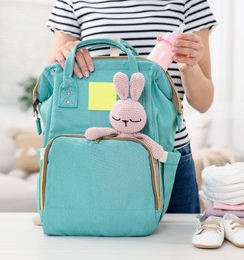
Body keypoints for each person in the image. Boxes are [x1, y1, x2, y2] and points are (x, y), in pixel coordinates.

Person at [46, 0, 217, 213]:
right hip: (95, 153)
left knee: (177, 245)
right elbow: (52, 89)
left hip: (166, 155)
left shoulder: (189, 3)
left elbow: (203, 103)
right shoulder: (71, 3)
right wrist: (65, 56)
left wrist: (189, 67)